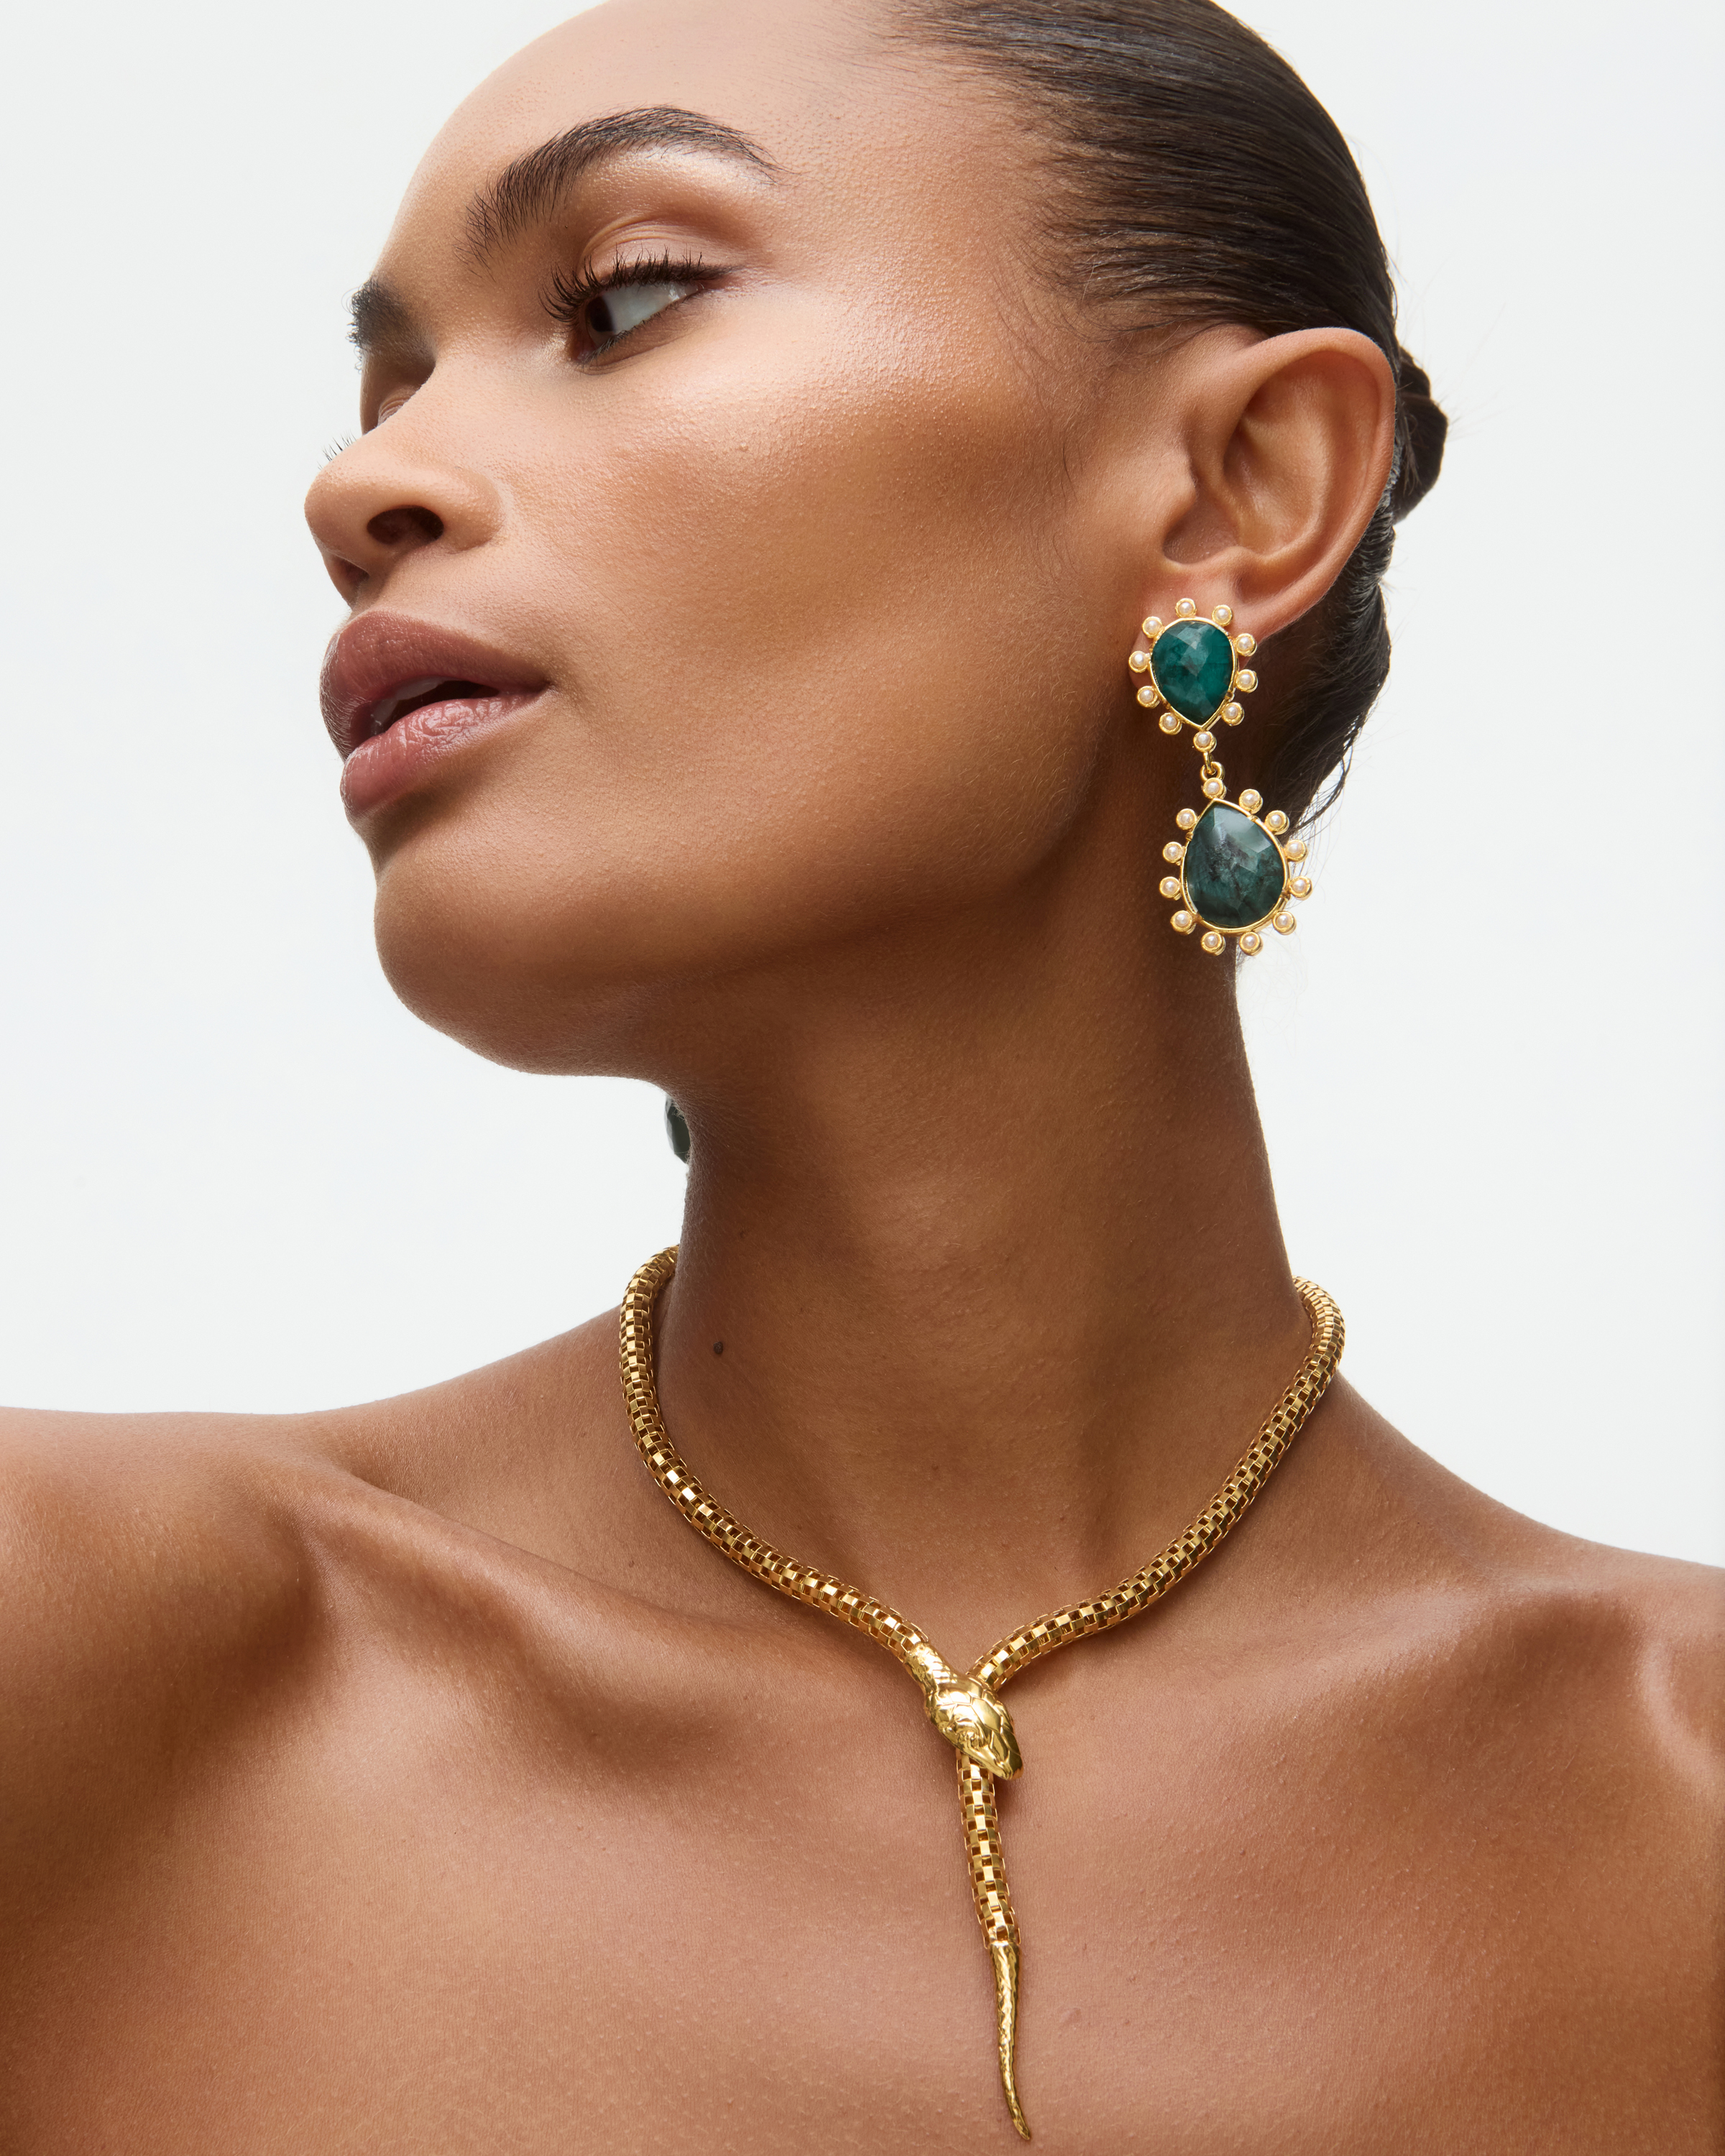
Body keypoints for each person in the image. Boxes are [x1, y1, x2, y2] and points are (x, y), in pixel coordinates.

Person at [2, 0, 1719, 2147]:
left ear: (1241, 488)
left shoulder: (1692, 1810)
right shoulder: (76, 1660)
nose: (363, 482)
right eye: (394, 383)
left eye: (624, 302)